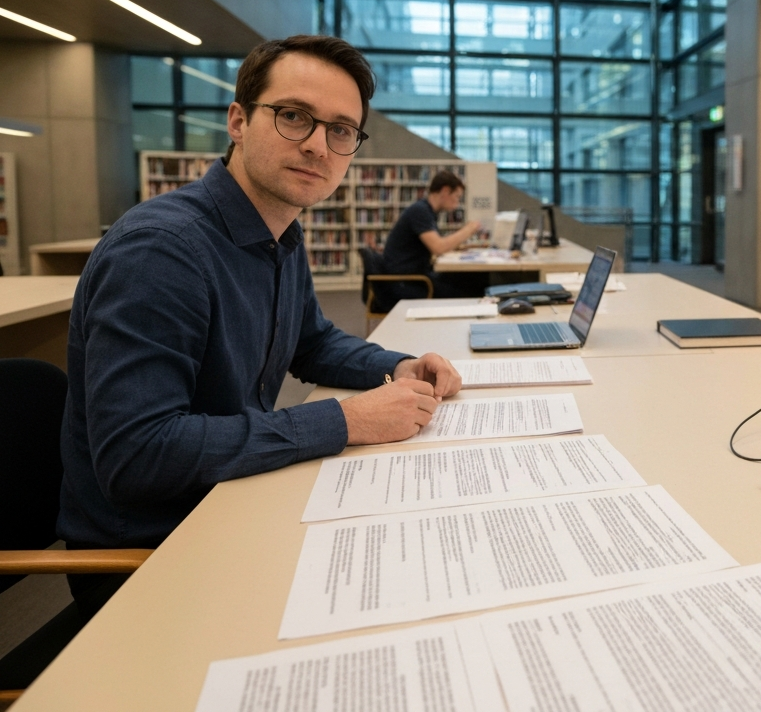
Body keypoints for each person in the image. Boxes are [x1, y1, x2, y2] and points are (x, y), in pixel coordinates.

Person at [58, 35, 462, 612]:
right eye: (295, 117)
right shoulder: (159, 252)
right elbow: (138, 455)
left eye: (341, 130)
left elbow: (312, 342)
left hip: (233, 499)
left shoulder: (281, 232)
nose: (320, 145)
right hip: (152, 553)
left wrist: (397, 364)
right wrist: (344, 420)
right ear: (239, 120)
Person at [381, 170, 485, 299]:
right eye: (457, 197)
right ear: (446, 191)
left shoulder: (427, 211)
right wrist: (469, 229)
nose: (457, 202)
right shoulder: (420, 211)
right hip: (406, 283)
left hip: (412, 277)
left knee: (466, 280)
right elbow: (439, 248)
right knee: (470, 290)